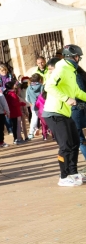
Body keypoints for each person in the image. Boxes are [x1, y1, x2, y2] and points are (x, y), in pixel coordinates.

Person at [42, 45, 86, 186]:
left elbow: (76, 92)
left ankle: (73, 173)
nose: (79, 60)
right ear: (75, 57)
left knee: (74, 143)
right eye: (78, 57)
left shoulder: (70, 70)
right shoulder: (61, 68)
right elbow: (49, 86)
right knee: (65, 145)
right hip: (54, 112)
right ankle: (63, 176)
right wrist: (67, 99)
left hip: (64, 113)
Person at [26, 74, 44, 139]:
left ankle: (31, 133)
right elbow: (43, 95)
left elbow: (27, 98)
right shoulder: (41, 86)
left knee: (34, 119)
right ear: (40, 80)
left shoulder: (28, 88)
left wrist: (31, 103)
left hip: (33, 105)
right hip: (42, 104)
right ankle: (47, 131)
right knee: (45, 118)